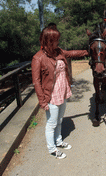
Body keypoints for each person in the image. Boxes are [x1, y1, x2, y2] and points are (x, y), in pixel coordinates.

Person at [32, 26, 89, 159]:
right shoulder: (38, 58)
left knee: (59, 120)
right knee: (51, 123)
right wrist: (42, 101)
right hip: (50, 96)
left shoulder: (59, 51)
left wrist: (87, 51)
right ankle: (52, 149)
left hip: (62, 91)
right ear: (49, 40)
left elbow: (71, 53)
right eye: (56, 40)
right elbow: (36, 82)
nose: (58, 42)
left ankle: (58, 141)